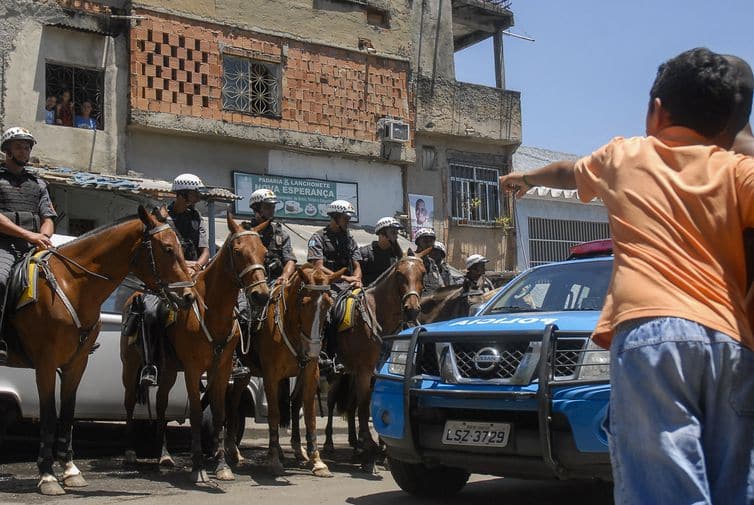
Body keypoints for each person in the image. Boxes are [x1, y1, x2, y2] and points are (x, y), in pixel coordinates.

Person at [499, 48, 754, 505]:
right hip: (731, 342)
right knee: (734, 485)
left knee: (663, 489)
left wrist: (526, 177)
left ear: (655, 111)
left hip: (652, 336)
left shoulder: (625, 155)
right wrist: (736, 129)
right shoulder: (737, 171)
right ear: (727, 127)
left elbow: (568, 171)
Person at [123, 173, 210, 386]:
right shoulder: (161, 217)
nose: (197, 197)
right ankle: (150, 364)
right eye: (194, 193)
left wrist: (197, 265)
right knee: (151, 312)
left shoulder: (196, 218)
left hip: (192, 276)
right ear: (182, 194)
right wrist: (181, 266)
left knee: (221, 309)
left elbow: (205, 250)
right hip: (165, 279)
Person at [0, 127, 56, 364]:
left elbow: (48, 218)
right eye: (19, 146)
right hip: (4, 245)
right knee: (0, 281)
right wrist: (29, 235)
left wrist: (43, 236)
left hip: (34, 246)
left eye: (27, 146)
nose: (24, 151)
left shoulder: (38, 184)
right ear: (7, 150)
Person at [308, 199, 362, 372]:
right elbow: (317, 266)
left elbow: (358, 264)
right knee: (329, 312)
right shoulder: (318, 237)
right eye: (346, 218)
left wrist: (357, 278)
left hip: (349, 284)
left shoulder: (350, 239)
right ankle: (328, 353)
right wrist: (345, 278)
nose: (348, 222)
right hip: (328, 284)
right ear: (335, 217)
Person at [359, 216, 403, 286]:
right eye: (393, 232)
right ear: (382, 233)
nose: (396, 236)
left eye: (396, 233)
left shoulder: (396, 257)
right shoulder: (364, 253)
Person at [413, 227, 444, 293]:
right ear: (418, 242)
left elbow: (441, 285)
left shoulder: (432, 263)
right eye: (426, 241)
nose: (429, 244)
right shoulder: (411, 259)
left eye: (431, 242)